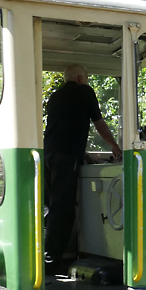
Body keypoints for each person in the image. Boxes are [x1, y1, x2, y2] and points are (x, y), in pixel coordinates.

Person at [43, 64, 122, 273]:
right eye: (86, 78)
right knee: (64, 209)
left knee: (51, 208)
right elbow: (99, 124)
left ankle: (45, 256)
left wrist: (83, 155)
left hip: (48, 155)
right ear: (80, 78)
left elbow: (63, 129)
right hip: (65, 158)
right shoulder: (84, 91)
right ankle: (51, 263)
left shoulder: (55, 96)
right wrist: (114, 146)